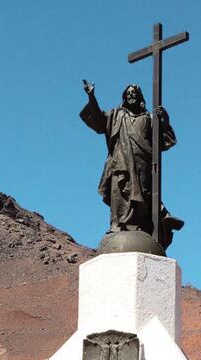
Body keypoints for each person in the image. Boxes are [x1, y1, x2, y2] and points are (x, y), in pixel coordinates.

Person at [80, 80, 183, 248]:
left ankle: (142, 228)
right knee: (120, 194)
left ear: (140, 97)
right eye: (128, 94)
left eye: (134, 93)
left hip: (143, 165)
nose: (131, 96)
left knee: (143, 197)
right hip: (120, 164)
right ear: (124, 97)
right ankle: (117, 226)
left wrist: (164, 120)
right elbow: (98, 119)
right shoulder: (116, 116)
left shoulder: (149, 119)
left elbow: (165, 141)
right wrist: (91, 97)